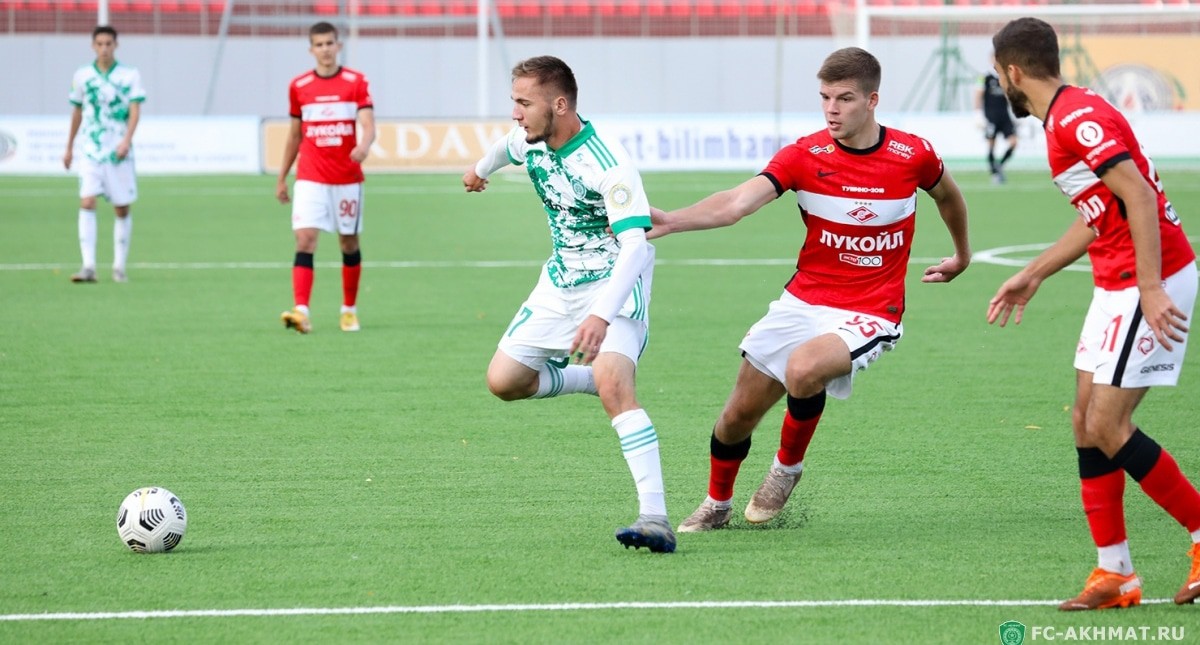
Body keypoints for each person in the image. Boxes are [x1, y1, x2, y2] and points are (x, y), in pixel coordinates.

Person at [650, 47, 971, 534]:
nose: (831, 110)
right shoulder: (804, 156)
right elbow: (737, 203)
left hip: (871, 308)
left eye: (844, 98)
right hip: (803, 300)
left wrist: (961, 255)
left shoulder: (913, 155)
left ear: (872, 100)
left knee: (803, 369)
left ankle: (786, 470)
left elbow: (949, 197)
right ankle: (717, 503)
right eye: (824, 97)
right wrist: (673, 221)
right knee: (736, 417)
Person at [988, 17, 1200, 611]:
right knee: (1085, 422)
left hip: (1147, 277)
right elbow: (1100, 212)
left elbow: (1139, 196)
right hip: (1117, 280)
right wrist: (1036, 271)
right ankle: (1115, 574)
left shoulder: (1075, 119)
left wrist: (1152, 288)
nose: (999, 83)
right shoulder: (1066, 114)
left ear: (1013, 72)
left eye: (997, 73)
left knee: (1108, 424)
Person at [462, 55, 675, 553]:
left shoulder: (609, 163)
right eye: (514, 101)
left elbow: (635, 247)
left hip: (615, 282)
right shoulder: (531, 138)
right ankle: (592, 379)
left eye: (524, 103)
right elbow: (506, 147)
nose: (515, 113)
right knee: (504, 382)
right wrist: (477, 171)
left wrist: (602, 315)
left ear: (558, 105)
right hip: (560, 282)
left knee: (617, 386)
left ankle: (655, 517)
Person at [276, 21, 376, 334]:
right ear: (311, 49)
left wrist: (364, 145)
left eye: (329, 43)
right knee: (305, 239)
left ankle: (349, 310)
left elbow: (368, 124)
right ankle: (301, 311)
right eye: (319, 45)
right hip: (310, 177)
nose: (325, 49)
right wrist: (282, 177)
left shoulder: (355, 82)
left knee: (348, 242)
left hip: (347, 179)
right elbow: (294, 135)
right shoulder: (299, 86)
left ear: (338, 45)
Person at [63, 25, 145, 284]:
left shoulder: (129, 75)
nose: (104, 48)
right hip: (90, 150)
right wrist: (69, 146)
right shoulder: (82, 76)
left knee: (121, 208)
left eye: (108, 44)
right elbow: (77, 112)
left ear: (115, 45)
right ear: (93, 46)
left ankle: (119, 267)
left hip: (118, 151)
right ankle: (88, 266)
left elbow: (135, 111)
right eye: (100, 44)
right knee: (87, 202)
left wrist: (126, 141)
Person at [975, 67, 1018, 184]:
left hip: (1005, 117)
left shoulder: (1006, 77)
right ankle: (994, 173)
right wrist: (978, 114)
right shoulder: (985, 77)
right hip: (991, 117)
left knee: (1014, 142)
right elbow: (978, 94)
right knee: (991, 145)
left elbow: (1009, 96)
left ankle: (999, 166)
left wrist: (1015, 113)